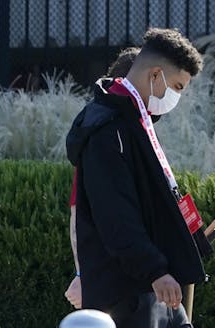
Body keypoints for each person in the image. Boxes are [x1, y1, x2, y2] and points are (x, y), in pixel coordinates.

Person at [65, 28, 208, 328]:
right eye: (178, 87)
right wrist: (155, 270)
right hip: (129, 293)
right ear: (156, 75)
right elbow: (116, 215)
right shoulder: (107, 130)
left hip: (155, 286)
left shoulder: (137, 121)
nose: (177, 97)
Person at [66, 45, 141, 310]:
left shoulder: (135, 129)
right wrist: (81, 275)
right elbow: (79, 210)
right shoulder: (103, 130)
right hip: (110, 281)